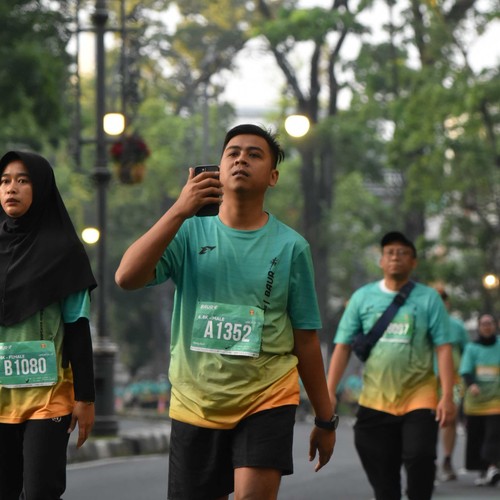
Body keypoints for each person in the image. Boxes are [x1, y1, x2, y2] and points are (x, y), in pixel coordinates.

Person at [115, 124, 336, 500]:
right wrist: (179, 210)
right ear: (218, 168)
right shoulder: (188, 232)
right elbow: (126, 277)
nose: (241, 159)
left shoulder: (292, 247)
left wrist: (325, 418)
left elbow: (306, 339)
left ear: (273, 177)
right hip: (195, 400)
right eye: (233, 153)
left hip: (267, 396)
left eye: (254, 154)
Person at [327, 231, 455, 500]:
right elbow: (343, 345)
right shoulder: (362, 297)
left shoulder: (429, 298)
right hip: (375, 399)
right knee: (381, 472)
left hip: (420, 397)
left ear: (413, 262)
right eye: (390, 252)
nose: (396, 256)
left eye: (403, 252)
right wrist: (328, 391)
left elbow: (443, 348)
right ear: (381, 260)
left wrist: (447, 396)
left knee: (420, 456)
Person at [0, 151, 97, 500]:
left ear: (41, 188)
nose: (11, 188)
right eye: (4, 180)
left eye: (22, 180)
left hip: (49, 397)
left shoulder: (64, 252)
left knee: (42, 490)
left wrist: (86, 397)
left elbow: (77, 327)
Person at [432, 287, 470, 482]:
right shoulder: (420, 323)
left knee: (450, 418)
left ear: (447, 304)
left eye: (442, 300)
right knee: (424, 420)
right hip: (425, 380)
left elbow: (467, 353)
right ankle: (427, 461)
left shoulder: (456, 326)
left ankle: (447, 459)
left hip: (453, 381)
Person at [459, 313, 500, 487]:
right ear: (479, 327)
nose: (487, 327)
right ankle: (484, 469)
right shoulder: (472, 348)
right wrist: (472, 385)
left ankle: (493, 467)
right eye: (483, 324)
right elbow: (465, 370)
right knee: (478, 436)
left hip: (496, 400)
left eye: (490, 323)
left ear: (495, 325)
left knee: (494, 434)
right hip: (476, 402)